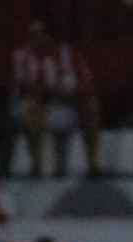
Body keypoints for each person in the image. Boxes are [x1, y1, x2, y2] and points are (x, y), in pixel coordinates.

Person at [12, 20, 102, 178]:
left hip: (68, 105)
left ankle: (93, 164)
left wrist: (72, 92)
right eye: (32, 35)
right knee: (31, 109)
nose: (36, 39)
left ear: (49, 36)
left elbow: (87, 82)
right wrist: (47, 91)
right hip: (40, 106)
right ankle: (36, 165)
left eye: (39, 34)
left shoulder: (69, 54)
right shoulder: (23, 56)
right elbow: (21, 87)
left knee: (91, 107)